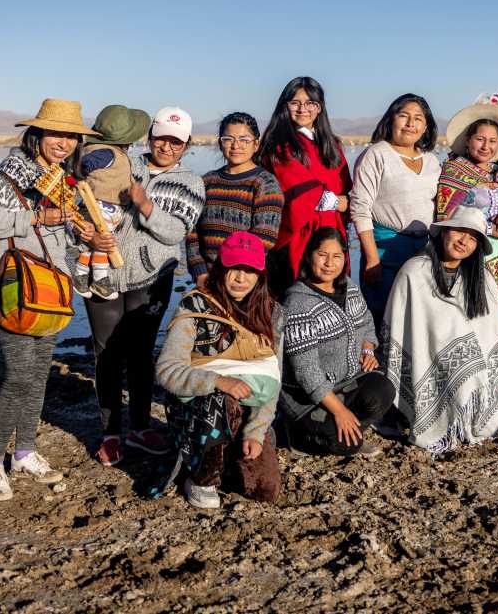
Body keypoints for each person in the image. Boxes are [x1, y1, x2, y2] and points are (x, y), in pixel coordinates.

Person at [0, 98, 98, 500]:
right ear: (37, 134)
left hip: (51, 287)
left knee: (39, 374)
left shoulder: (63, 179)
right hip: (11, 283)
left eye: (70, 137)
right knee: (18, 376)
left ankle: (24, 451)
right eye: (56, 134)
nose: (63, 143)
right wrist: (35, 219)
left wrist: (86, 237)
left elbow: (63, 237)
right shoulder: (14, 172)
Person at [82, 106, 205, 466]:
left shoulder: (190, 183)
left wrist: (146, 205)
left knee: (139, 353)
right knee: (105, 353)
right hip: (104, 274)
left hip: (151, 278)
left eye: (176, 142)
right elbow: (86, 198)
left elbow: (176, 231)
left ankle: (138, 426)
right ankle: (110, 433)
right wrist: (88, 234)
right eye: (161, 138)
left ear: (186, 146)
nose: (167, 147)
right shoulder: (125, 163)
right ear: (149, 136)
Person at [155, 231, 284, 509]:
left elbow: (272, 380)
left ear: (260, 275)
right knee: (221, 399)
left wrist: (256, 432)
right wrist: (217, 380)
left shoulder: (271, 313)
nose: (241, 278)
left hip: (245, 415)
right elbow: (166, 370)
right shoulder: (194, 306)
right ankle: (200, 479)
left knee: (266, 490)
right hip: (198, 411)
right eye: (234, 268)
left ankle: (225, 458)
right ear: (221, 268)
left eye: (249, 271)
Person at [383, 206, 498, 453]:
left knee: (476, 381)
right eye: (459, 232)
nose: (464, 241)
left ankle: (471, 409)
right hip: (429, 359)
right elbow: (401, 328)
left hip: (473, 368)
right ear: (443, 233)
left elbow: (492, 329)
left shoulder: (482, 279)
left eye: (473, 238)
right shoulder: (414, 272)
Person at [279, 227, 395, 457]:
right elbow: (306, 373)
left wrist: (367, 350)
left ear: (344, 258)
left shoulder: (349, 287)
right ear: (309, 255)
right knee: (347, 445)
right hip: (305, 398)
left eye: (337, 256)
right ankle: (298, 434)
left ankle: (342, 426)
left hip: (345, 384)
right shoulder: (298, 304)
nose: (329, 263)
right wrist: (340, 411)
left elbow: (366, 325)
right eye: (322, 255)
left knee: (383, 390)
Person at [437, 93, 498, 370]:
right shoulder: (452, 173)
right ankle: (477, 376)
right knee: (478, 319)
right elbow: (447, 216)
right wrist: (489, 226)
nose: (486, 146)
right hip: (474, 255)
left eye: (492, 141)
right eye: (480, 139)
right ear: (468, 140)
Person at [350, 93, 441, 331]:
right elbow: (360, 208)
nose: (411, 123)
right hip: (384, 248)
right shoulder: (377, 154)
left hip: (423, 249)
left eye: (418, 118)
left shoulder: (431, 161)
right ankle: (378, 365)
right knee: (383, 314)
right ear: (391, 119)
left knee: (415, 315)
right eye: (404, 116)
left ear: (426, 126)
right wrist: (371, 259)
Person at [256, 76, 352, 297]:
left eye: (311, 103)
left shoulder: (332, 145)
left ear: (320, 108)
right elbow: (303, 193)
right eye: (295, 102)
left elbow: (349, 192)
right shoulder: (279, 145)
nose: (303, 109)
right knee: (299, 295)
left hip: (333, 231)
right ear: (285, 106)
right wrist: (337, 201)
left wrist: (345, 201)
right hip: (299, 235)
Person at [186, 112, 283, 288]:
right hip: (208, 280)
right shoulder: (206, 181)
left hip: (244, 281)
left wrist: (234, 274)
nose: (236, 145)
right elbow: (191, 230)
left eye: (244, 139)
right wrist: (200, 271)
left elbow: (265, 238)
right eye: (228, 139)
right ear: (220, 143)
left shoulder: (265, 183)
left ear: (256, 144)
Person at [72, 104, 152, 300]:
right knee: (104, 244)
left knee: (92, 246)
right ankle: (100, 280)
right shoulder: (106, 153)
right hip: (101, 207)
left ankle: (81, 276)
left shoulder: (106, 150)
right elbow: (84, 166)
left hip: (105, 207)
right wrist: (76, 176)